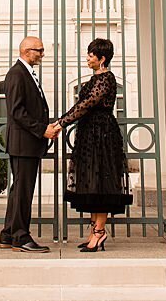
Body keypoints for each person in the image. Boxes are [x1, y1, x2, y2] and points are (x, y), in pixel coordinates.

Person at [48, 37, 132, 253]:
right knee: (92, 181)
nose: (87, 57)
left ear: (102, 59)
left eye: (91, 54)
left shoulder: (106, 79)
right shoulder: (94, 79)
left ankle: (99, 232)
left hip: (102, 134)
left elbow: (85, 105)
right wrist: (62, 121)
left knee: (102, 181)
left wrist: (60, 123)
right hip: (89, 134)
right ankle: (94, 230)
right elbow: (80, 106)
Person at [0, 35, 57, 253]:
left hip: (27, 143)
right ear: (26, 51)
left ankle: (7, 234)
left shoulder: (26, 73)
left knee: (18, 191)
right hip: (23, 144)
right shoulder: (17, 73)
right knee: (23, 192)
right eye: (39, 50)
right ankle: (20, 237)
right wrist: (42, 129)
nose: (42, 54)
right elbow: (17, 111)